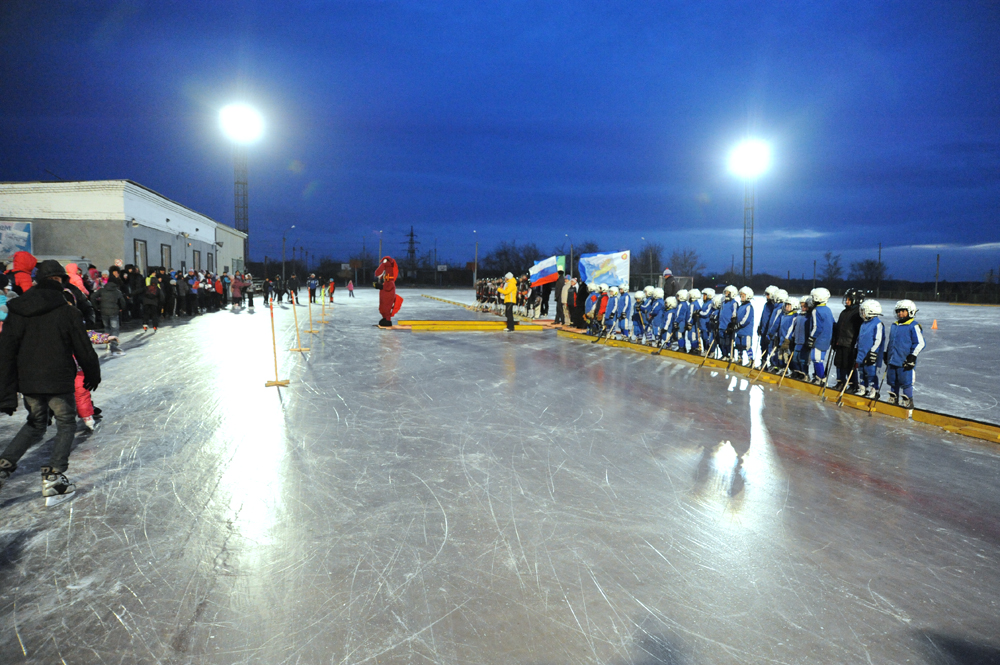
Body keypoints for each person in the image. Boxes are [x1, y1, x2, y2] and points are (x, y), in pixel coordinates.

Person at [0, 260, 101, 506]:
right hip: (58, 380)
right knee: (66, 424)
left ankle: (3, 466)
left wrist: (6, 391)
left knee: (35, 424)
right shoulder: (68, 311)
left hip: (30, 381)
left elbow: (6, 351)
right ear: (58, 280)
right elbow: (83, 347)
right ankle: (54, 481)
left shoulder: (17, 309)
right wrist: (92, 373)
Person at [885, 299, 925, 408]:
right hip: (893, 359)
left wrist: (912, 356)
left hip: (905, 361)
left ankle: (907, 400)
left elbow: (920, 343)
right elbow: (891, 341)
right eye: (898, 311)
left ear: (910, 311)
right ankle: (894, 398)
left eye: (903, 311)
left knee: (905, 381)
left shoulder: (913, 326)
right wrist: (887, 353)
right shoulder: (895, 325)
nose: (900, 313)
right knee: (893, 380)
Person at [833, 288, 863, 392]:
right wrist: (835, 339)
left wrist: (856, 346)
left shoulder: (858, 314)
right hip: (841, 342)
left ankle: (853, 385)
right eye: (846, 299)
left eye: (849, 299)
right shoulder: (844, 312)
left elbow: (858, 331)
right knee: (838, 363)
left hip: (850, 344)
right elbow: (839, 327)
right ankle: (840, 381)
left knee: (848, 365)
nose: (846, 301)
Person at [854, 299, 886, 399]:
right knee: (862, 371)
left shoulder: (877, 324)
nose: (862, 313)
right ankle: (863, 388)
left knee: (871, 373)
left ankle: (873, 389)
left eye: (863, 311)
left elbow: (878, 340)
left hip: (870, 354)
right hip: (861, 353)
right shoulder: (864, 324)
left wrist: (872, 352)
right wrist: (856, 348)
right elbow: (860, 338)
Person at [90, 275, 127, 356]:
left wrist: (97, 307)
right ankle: (113, 345)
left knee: (107, 327)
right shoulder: (117, 291)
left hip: (103, 312)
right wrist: (121, 308)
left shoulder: (102, 290)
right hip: (114, 312)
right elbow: (123, 302)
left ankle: (107, 342)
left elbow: (92, 297)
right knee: (114, 329)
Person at [807, 287, 835, 385]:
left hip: (819, 340)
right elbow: (832, 323)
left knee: (816, 359)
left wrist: (811, 337)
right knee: (819, 359)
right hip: (826, 339)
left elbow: (816, 327)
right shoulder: (827, 309)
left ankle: (821, 379)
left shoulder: (816, 310)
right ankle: (818, 376)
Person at [374, 256, 403, 327]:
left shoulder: (390, 281)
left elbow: (388, 287)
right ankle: (385, 318)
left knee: (387, 305)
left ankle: (387, 319)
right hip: (386, 287)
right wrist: (380, 286)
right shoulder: (387, 280)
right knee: (383, 305)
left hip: (388, 289)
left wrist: (381, 286)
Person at [734, 286, 755, 366]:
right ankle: (740, 359)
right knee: (738, 345)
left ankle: (751, 360)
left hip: (746, 331)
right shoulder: (741, 306)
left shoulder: (749, 307)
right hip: (739, 331)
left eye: (743, 296)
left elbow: (746, 319)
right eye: (741, 296)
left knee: (747, 346)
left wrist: (738, 325)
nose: (741, 297)